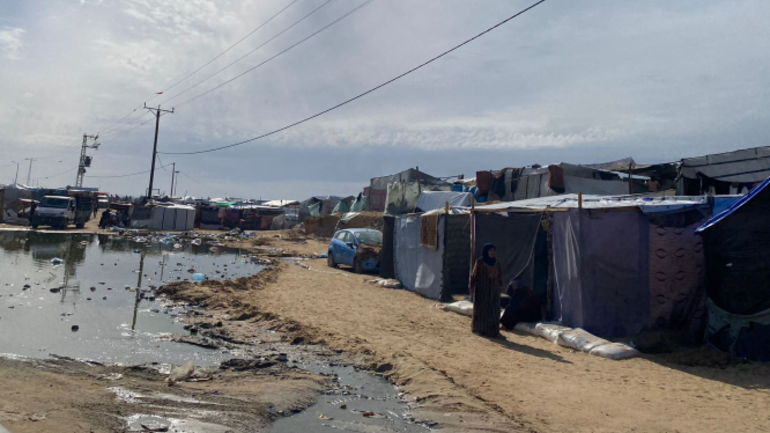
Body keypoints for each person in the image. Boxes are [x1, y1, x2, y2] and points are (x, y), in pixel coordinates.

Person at [470, 243, 503, 338]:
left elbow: (499, 275)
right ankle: (479, 329)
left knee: (495, 310)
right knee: (482, 310)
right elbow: (474, 275)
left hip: (494, 290)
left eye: (494, 250)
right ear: (486, 251)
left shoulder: (497, 262)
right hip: (482, 290)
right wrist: (471, 286)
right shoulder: (480, 262)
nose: (492, 253)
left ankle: (494, 331)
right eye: (490, 250)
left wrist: (500, 286)